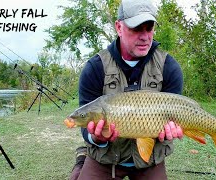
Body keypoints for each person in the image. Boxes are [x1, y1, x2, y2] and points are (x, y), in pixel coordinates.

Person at [70, 0, 184, 179]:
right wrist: (96, 138)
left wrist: (170, 132)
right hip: (105, 159)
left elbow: (176, 114)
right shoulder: (95, 67)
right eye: (137, 28)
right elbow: (85, 123)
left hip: (149, 158)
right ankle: (82, 159)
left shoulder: (169, 67)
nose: (145, 36)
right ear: (119, 27)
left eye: (149, 28)